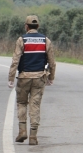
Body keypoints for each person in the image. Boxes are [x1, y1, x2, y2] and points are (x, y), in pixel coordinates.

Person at [8, 15, 56, 145]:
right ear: (38, 26)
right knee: (35, 105)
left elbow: (15, 60)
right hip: (39, 77)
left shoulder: (21, 40)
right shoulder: (46, 40)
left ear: (26, 26)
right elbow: (52, 62)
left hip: (24, 77)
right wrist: (51, 77)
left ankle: (22, 131)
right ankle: (33, 136)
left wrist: (11, 78)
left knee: (22, 103)